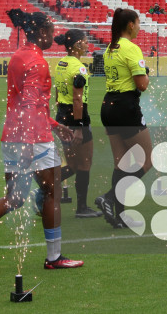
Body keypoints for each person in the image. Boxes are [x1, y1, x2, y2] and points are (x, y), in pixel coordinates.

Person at [0, 9, 83, 272]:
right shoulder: (38, 61)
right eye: (51, 31)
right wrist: (32, 143)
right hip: (32, 139)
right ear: (42, 32)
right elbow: (32, 106)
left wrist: (55, 126)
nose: (53, 36)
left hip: (12, 135)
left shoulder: (18, 56)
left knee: (14, 198)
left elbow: (26, 103)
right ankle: (54, 257)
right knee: (52, 192)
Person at [96, 9, 150, 229]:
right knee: (147, 160)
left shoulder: (111, 47)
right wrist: (146, 73)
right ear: (130, 25)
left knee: (121, 162)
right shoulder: (131, 48)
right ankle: (109, 197)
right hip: (126, 108)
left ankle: (120, 216)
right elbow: (142, 85)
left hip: (108, 105)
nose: (139, 27)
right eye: (138, 23)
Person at [54, 30, 101, 219]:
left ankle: (43, 188)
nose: (87, 44)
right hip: (76, 119)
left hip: (62, 117)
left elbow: (58, 94)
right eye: (83, 41)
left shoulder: (61, 63)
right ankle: (82, 208)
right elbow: (78, 100)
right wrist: (80, 128)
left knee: (72, 165)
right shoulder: (79, 68)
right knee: (84, 164)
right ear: (75, 45)